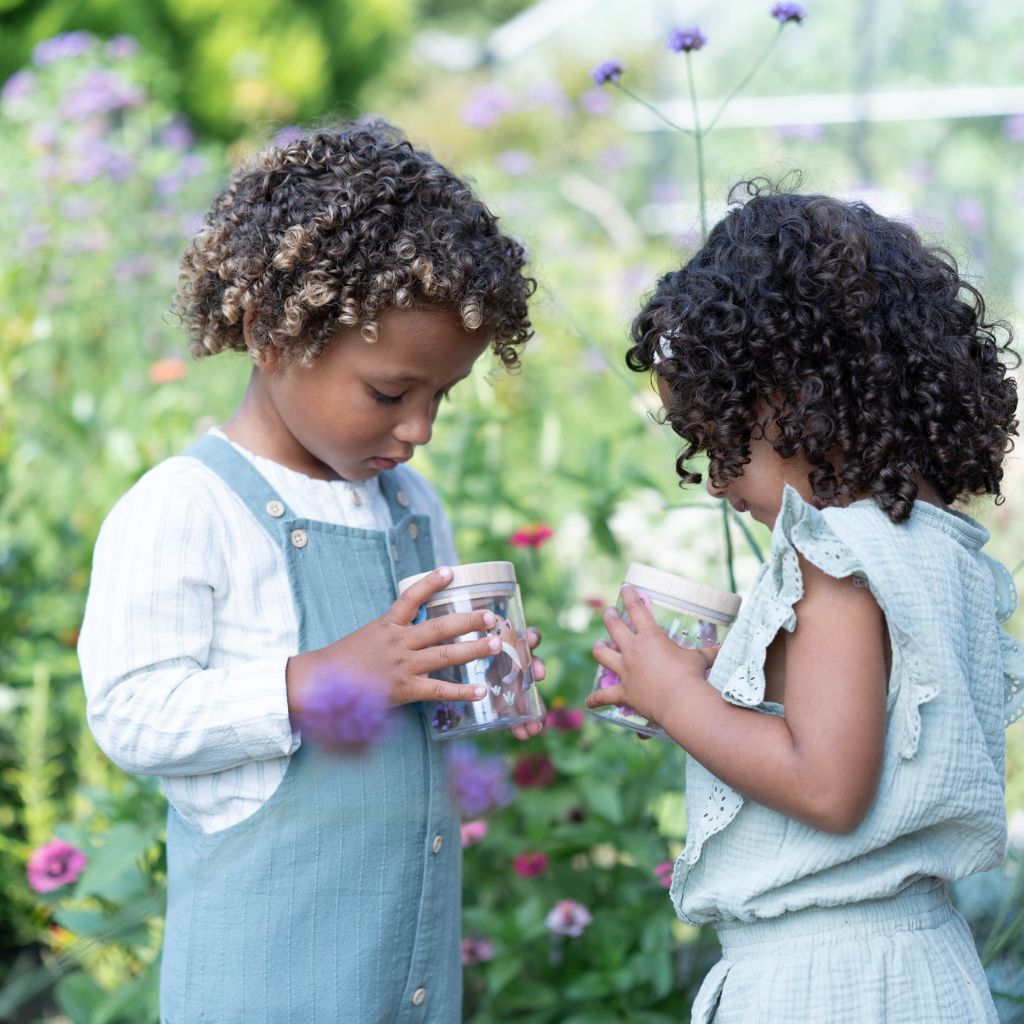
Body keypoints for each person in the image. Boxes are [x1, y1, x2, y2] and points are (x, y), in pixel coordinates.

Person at [79, 118, 544, 1024]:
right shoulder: (187, 508)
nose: (420, 430)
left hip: (403, 979)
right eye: (389, 393)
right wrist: (321, 681)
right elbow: (130, 712)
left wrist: (475, 670)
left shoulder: (413, 508)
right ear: (267, 332)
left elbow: (412, 697)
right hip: (265, 989)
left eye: (440, 397)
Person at [587, 180, 1023, 1023]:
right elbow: (863, 728)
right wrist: (727, 690)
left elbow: (826, 787)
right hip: (911, 963)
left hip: (828, 982)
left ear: (794, 399)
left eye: (720, 441)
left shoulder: (837, 556)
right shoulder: (933, 549)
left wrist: (676, 700)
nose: (715, 481)